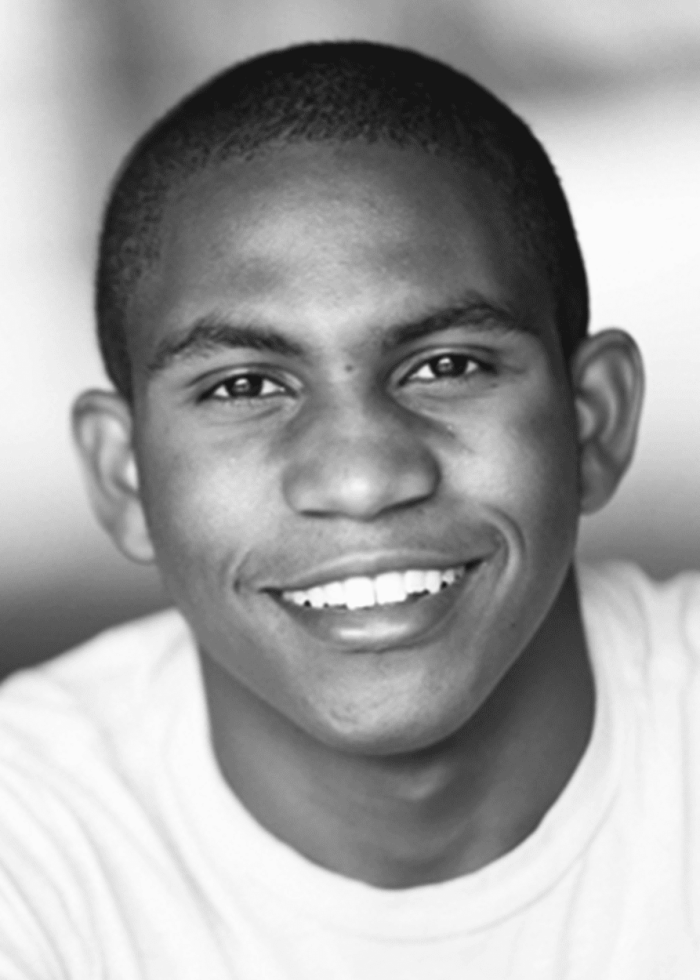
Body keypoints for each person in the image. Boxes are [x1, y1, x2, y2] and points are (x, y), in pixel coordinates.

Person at [0, 39, 698, 979]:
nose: (363, 480)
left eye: (447, 366)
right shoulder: (28, 845)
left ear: (594, 421)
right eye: (246, 385)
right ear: (124, 475)